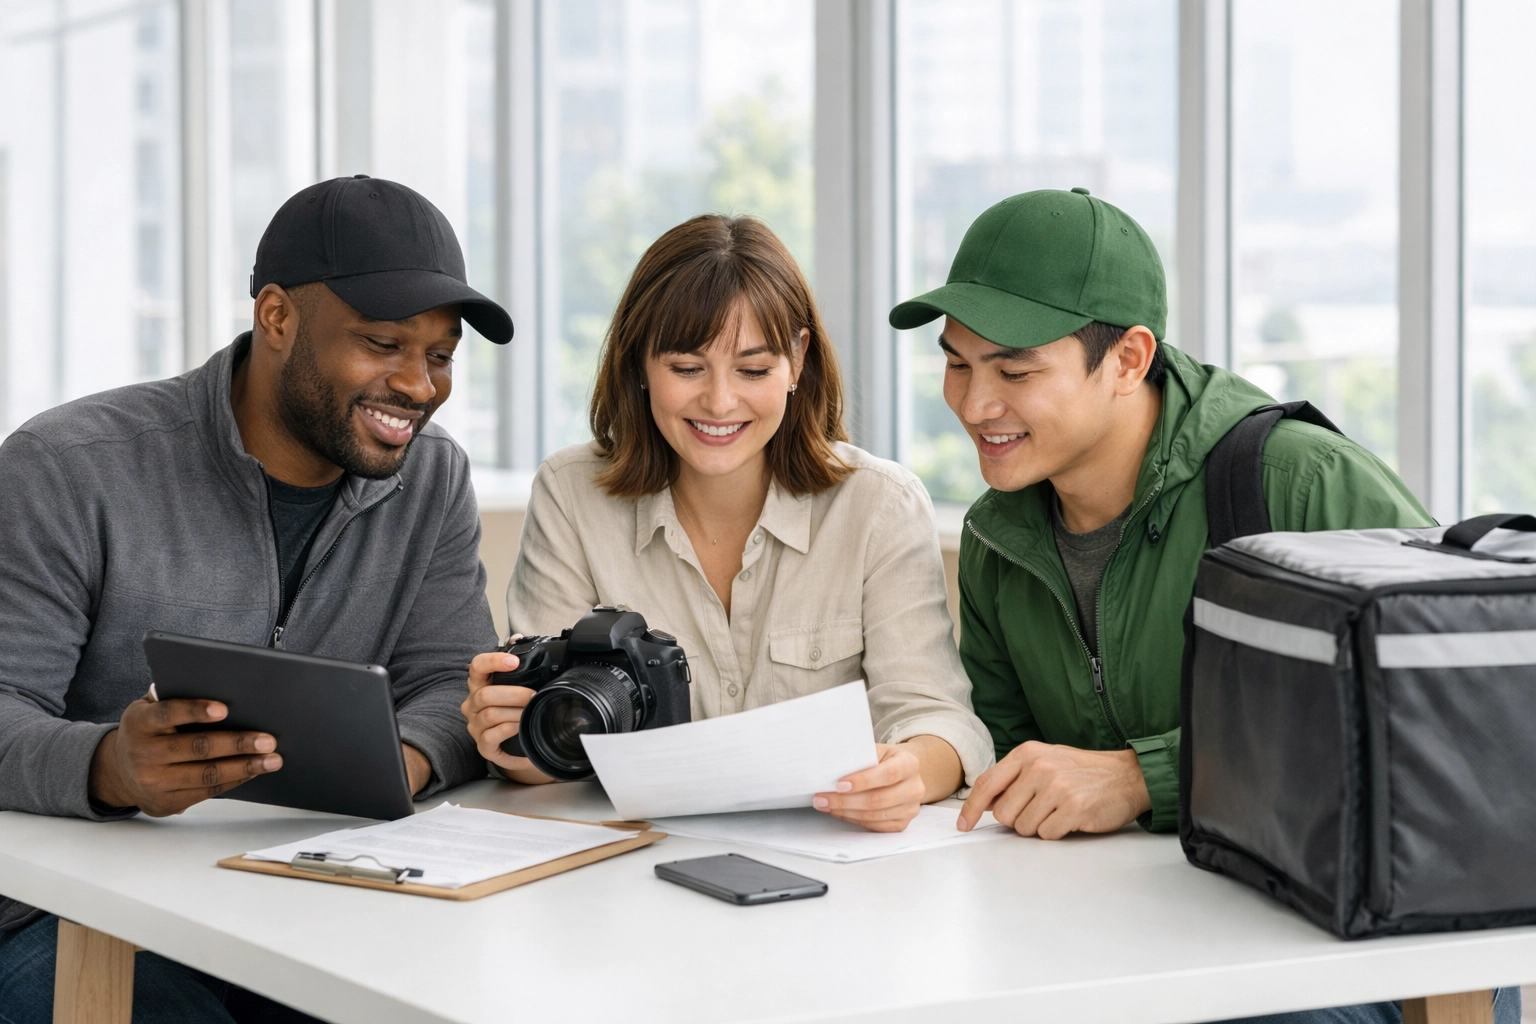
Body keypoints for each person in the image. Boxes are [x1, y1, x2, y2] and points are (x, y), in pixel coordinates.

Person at [889, 187, 1519, 1024]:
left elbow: (1445, 733)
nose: (974, 405)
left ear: (1127, 359)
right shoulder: (998, 539)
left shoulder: (1297, 482)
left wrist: (1141, 778)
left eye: (1015, 370)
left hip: (1348, 958)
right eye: (957, 363)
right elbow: (1011, 769)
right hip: (1132, 943)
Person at [0, 176, 511, 1023]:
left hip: (302, 907)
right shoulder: (67, 468)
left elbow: (453, 688)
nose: (419, 386)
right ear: (276, 318)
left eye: (441, 355)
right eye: (384, 344)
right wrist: (111, 768)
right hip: (62, 918)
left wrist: (395, 763)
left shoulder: (432, 479)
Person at [461, 214, 994, 830]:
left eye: (753, 369)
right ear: (639, 361)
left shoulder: (880, 505)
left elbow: (939, 721)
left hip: (835, 876)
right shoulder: (570, 493)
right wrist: (513, 735)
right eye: (686, 368)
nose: (718, 402)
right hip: (628, 871)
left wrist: (909, 772)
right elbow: (547, 749)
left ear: (797, 359)